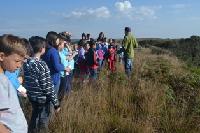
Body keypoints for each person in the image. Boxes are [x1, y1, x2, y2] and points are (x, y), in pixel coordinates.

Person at [23, 36, 60, 133]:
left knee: (35, 116)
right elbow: (47, 86)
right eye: (44, 46)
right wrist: (56, 103)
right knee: (43, 119)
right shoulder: (41, 64)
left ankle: (31, 130)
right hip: (42, 98)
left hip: (32, 96)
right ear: (41, 49)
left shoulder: (26, 63)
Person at [0, 34, 28, 133]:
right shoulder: (1, 82)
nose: (19, 66)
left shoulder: (4, 77)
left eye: (21, 62)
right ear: (2, 56)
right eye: (17, 61)